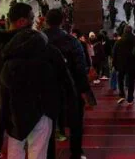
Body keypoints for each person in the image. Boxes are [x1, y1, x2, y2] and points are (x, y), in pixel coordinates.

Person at [0, 3, 77, 159]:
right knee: (38, 153)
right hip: (42, 111)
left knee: (14, 153)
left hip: (12, 114)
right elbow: (65, 81)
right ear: (22, 21)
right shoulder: (48, 48)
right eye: (32, 18)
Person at [43, 9, 91, 159]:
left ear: (46, 21)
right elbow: (80, 68)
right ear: (63, 21)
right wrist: (83, 90)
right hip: (70, 88)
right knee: (75, 123)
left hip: (47, 89)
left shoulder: (40, 41)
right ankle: (76, 153)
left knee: (48, 126)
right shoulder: (72, 41)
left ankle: (49, 155)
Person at [112, 25, 135, 105]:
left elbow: (114, 54)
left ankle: (122, 94)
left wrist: (114, 65)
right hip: (132, 65)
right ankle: (130, 98)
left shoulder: (118, 42)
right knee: (131, 82)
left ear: (124, 31)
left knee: (120, 80)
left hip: (121, 65)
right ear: (131, 31)